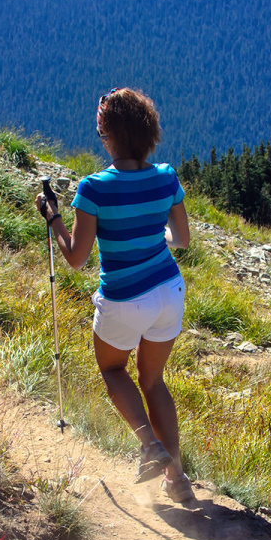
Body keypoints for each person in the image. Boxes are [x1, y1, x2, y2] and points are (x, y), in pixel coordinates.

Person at [35, 88, 195, 505]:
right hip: (168, 291)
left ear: (107, 134)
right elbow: (182, 239)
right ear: (149, 131)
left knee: (112, 370)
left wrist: (53, 217)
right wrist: (150, 233)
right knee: (153, 380)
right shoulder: (167, 177)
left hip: (124, 297)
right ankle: (176, 478)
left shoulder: (93, 189)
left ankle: (149, 446)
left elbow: (76, 258)